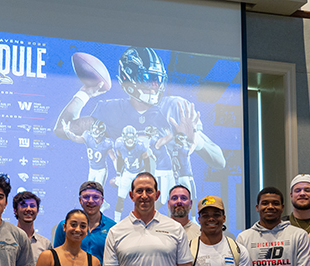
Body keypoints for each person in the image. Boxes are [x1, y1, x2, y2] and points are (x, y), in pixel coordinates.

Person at [54, 46, 225, 215]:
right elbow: (63, 128)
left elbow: (219, 161)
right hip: (131, 212)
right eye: (147, 78)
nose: (154, 85)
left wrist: (197, 140)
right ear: (129, 78)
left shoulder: (175, 108)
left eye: (157, 79)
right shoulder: (110, 110)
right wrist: (85, 93)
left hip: (170, 214)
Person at [61, 119, 117, 210]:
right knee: (90, 190)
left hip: (101, 170)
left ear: (102, 131)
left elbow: (114, 158)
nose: (95, 131)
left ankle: (99, 208)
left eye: (97, 129)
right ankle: (103, 204)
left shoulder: (107, 143)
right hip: (92, 169)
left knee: (97, 191)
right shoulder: (88, 136)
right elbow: (75, 138)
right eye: (94, 128)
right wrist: (67, 131)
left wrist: (118, 173)